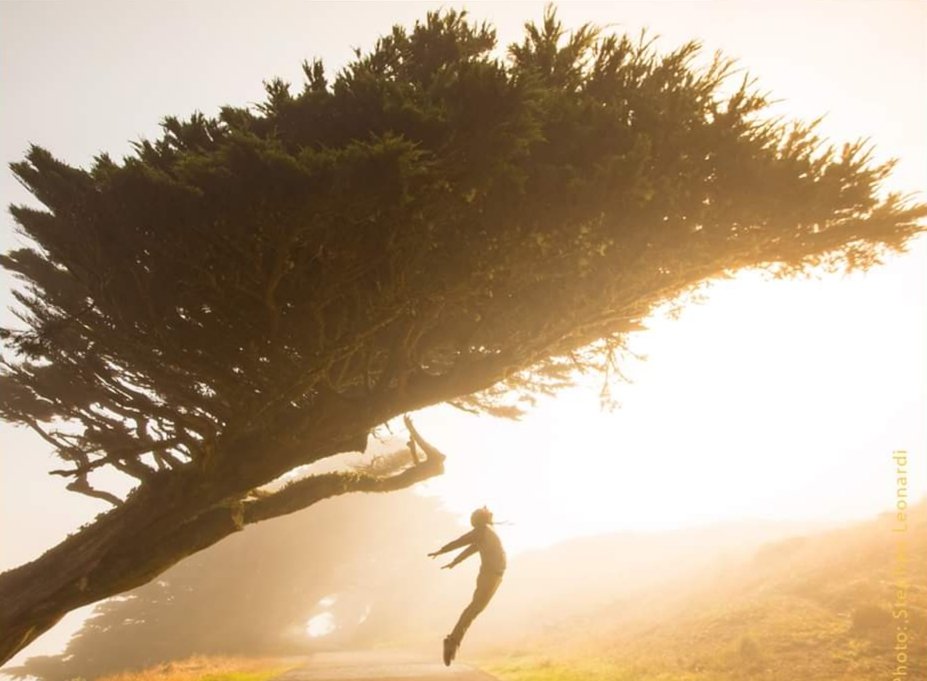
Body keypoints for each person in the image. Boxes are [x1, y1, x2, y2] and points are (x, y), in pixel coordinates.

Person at [428, 505, 507, 666]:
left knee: (475, 609)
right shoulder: (485, 531)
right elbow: (462, 542)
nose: (471, 522)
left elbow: (469, 547)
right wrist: (442, 552)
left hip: (495, 576)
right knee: (474, 608)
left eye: (473, 519)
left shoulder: (483, 531)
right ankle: (452, 641)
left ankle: (453, 641)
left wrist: (453, 561)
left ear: (478, 520)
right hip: (490, 576)